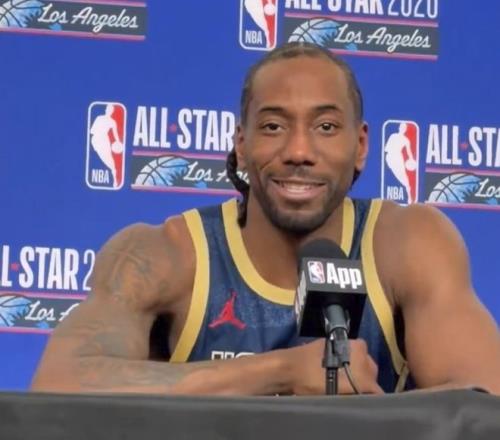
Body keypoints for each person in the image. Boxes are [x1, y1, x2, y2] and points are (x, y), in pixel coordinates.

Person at [32, 42, 500, 395]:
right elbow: (60, 383)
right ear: (241, 144)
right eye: (273, 126)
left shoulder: (407, 244)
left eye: (325, 127)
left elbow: (483, 402)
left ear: (360, 147)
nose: (298, 151)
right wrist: (284, 371)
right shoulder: (165, 254)